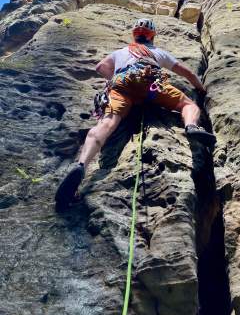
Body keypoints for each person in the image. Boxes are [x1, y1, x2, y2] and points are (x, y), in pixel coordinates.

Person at [55, 18, 215, 211]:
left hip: (121, 85)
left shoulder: (121, 52)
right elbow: (186, 72)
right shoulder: (158, 52)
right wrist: (201, 88)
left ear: (135, 35)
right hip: (151, 86)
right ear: (151, 37)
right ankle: (191, 126)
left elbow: (100, 67)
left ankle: (81, 165)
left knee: (106, 124)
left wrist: (115, 79)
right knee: (187, 104)